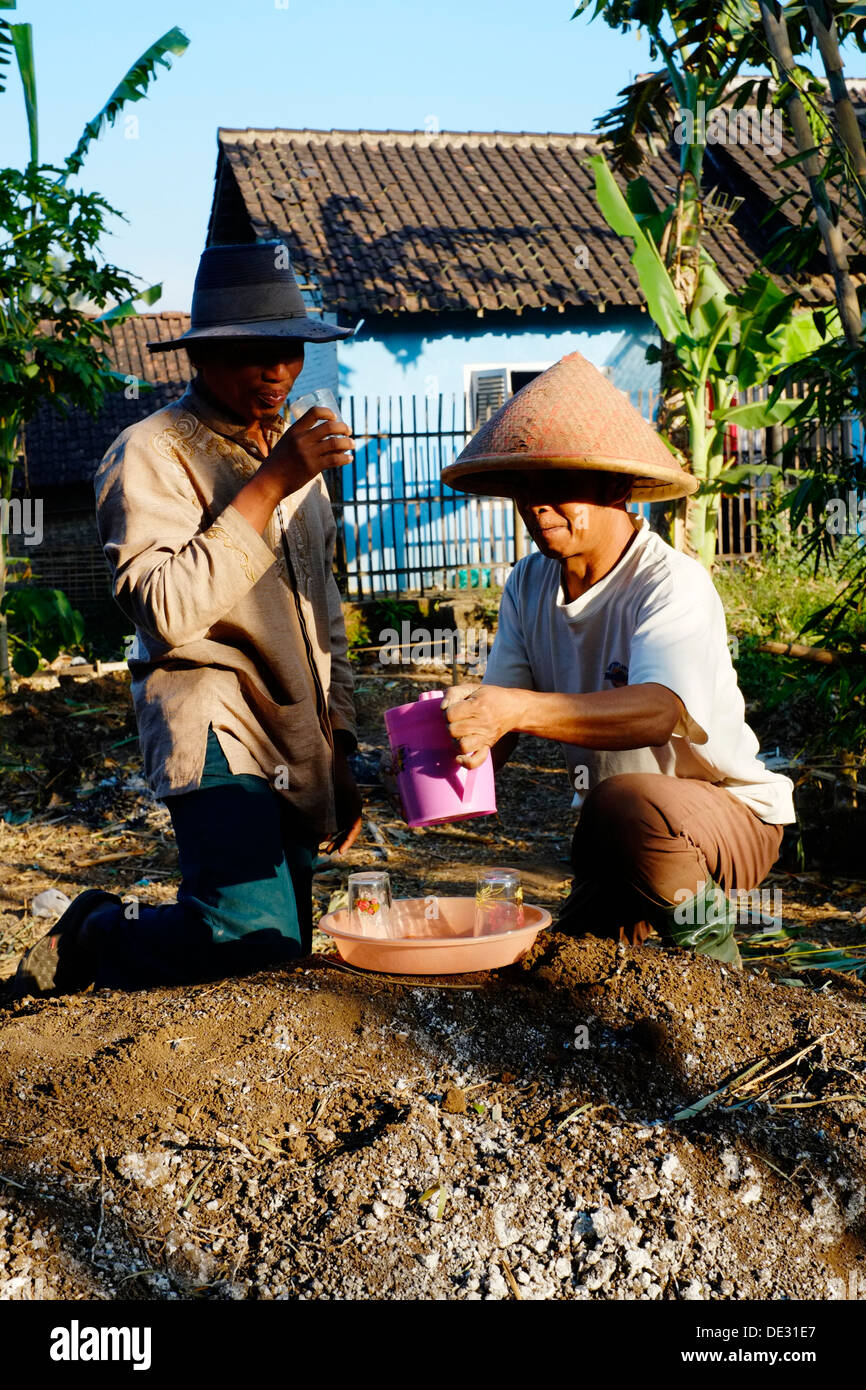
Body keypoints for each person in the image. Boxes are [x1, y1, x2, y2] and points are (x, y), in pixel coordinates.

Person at [15, 241, 362, 997]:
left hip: (293, 728)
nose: (276, 372)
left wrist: (342, 742)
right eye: (250, 353)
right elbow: (166, 609)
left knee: (286, 943)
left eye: (289, 352)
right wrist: (270, 484)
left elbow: (322, 610)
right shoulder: (150, 452)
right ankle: (96, 936)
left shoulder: (292, 456)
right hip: (212, 725)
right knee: (246, 944)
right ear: (200, 358)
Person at [440, 353, 795, 968]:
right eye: (527, 487)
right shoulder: (527, 585)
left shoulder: (669, 583)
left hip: (723, 815)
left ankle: (719, 976)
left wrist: (515, 708)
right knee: (552, 970)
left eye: (561, 486)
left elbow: (660, 711)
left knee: (625, 802)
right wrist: (455, 741)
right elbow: (502, 727)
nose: (539, 505)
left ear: (617, 489)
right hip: (611, 837)